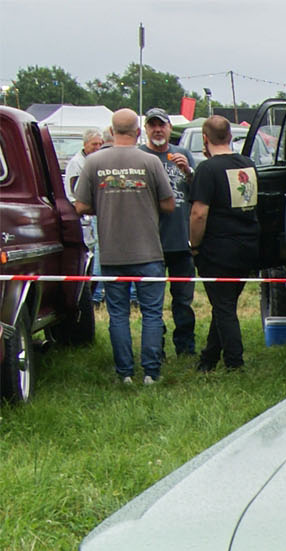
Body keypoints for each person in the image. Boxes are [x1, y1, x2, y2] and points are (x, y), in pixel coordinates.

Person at [72, 108, 175, 385]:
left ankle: (125, 373)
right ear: (138, 131)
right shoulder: (150, 161)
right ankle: (151, 373)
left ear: (112, 130)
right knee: (152, 312)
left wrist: (105, 205)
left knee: (117, 314)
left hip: (112, 252)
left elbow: (80, 205)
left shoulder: (93, 162)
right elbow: (169, 203)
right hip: (148, 250)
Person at [188, 115, 260, 373]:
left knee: (224, 306)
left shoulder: (207, 170)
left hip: (218, 248)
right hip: (248, 245)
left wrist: (194, 245)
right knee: (225, 304)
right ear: (230, 136)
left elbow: (199, 213)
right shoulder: (248, 164)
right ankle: (208, 359)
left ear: (205, 139)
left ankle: (235, 363)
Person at [142, 107, 198, 356]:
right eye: (152, 125)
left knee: (183, 300)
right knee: (152, 302)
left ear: (168, 128)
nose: (157, 129)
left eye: (161, 125)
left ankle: (185, 347)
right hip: (149, 242)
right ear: (145, 129)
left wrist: (188, 171)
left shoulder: (182, 154)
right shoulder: (140, 156)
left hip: (180, 240)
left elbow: (199, 192)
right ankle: (157, 348)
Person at [64, 129, 105, 303]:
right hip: (85, 214)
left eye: (100, 144)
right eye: (94, 144)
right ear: (85, 144)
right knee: (95, 254)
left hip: (97, 211)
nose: (97, 147)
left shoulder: (98, 161)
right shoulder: (77, 163)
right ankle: (94, 295)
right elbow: (74, 193)